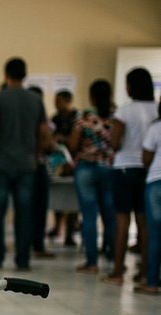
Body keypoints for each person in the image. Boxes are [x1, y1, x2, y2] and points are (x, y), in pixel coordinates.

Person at [0, 57, 48, 270]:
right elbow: (43, 133)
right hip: (27, 165)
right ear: (25, 75)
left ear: (5, 74)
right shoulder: (36, 100)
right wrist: (36, 155)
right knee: (24, 213)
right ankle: (23, 259)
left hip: (1, 164)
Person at [102, 68, 157, 286]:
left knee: (122, 221)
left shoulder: (125, 110)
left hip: (124, 168)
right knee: (144, 223)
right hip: (147, 170)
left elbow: (114, 143)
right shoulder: (156, 110)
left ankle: (117, 271)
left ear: (131, 85)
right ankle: (144, 272)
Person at [69, 79, 117, 273]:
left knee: (89, 216)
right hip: (109, 168)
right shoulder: (116, 116)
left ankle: (92, 262)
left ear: (92, 96)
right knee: (111, 217)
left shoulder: (85, 116)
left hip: (86, 169)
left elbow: (73, 144)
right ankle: (114, 258)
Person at [27, 85, 57, 259]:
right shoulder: (44, 122)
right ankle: (38, 245)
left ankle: (24, 243)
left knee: (25, 208)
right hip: (37, 167)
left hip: (21, 166)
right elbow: (48, 145)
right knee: (39, 208)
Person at [48, 90, 79, 246]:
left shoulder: (76, 117)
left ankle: (70, 233)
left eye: (59, 101)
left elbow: (77, 140)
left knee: (72, 200)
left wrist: (64, 139)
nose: (56, 104)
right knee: (58, 196)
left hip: (73, 162)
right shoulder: (55, 118)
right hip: (57, 161)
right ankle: (57, 226)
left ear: (68, 101)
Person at [137, 100, 161, 295]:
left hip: (156, 182)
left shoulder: (156, 127)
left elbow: (146, 158)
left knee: (154, 234)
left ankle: (152, 282)